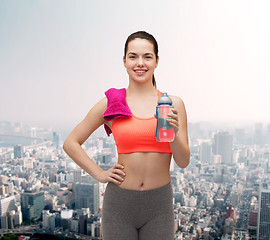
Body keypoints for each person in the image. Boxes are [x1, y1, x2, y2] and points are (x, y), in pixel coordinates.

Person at [63, 31, 190, 240]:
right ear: (124, 61)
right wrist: (100, 174)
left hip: (159, 205)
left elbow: (183, 161)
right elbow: (71, 143)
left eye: (147, 57)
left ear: (157, 61)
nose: (140, 63)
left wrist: (174, 133)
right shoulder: (112, 103)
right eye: (133, 56)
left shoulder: (173, 104)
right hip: (119, 204)